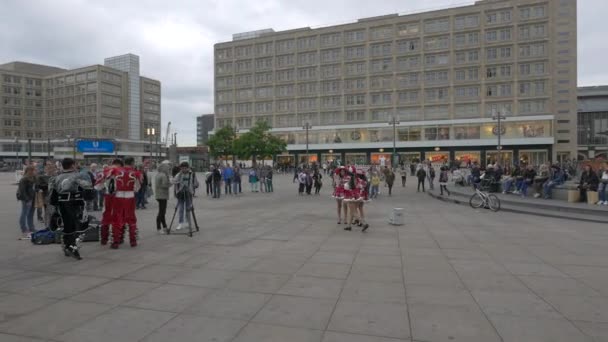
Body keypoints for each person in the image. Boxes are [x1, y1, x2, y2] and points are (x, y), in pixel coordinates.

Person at [48, 158, 94, 260]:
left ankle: (67, 247)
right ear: (72, 165)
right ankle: (72, 247)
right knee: (80, 226)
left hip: (62, 204)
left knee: (68, 226)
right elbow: (89, 189)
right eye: (75, 164)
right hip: (75, 203)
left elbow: (52, 196)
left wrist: (54, 209)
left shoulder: (56, 177)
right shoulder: (78, 176)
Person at [110, 157, 141, 249]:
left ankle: (115, 241)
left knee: (117, 218)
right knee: (131, 218)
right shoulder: (135, 173)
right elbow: (137, 187)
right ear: (132, 163)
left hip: (118, 195)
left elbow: (111, 185)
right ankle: (133, 241)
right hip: (130, 196)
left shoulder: (116, 171)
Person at [95, 159, 122, 245]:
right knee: (116, 219)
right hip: (118, 197)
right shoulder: (123, 172)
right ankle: (115, 241)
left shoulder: (105, 171)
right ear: (120, 165)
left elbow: (97, 186)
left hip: (107, 197)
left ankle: (104, 239)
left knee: (105, 217)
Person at [173, 162, 199, 230]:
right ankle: (180, 223)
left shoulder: (192, 174)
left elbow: (196, 183)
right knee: (181, 209)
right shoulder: (179, 174)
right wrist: (177, 182)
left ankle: (188, 222)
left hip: (189, 193)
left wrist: (193, 186)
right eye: (182, 168)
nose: (183, 169)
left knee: (188, 209)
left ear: (188, 168)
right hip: (180, 193)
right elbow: (174, 181)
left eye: (185, 168)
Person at [17, 165, 37, 239]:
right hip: (26, 199)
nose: (32, 172)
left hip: (33, 197)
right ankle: (24, 229)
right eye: (31, 170)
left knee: (31, 214)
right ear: (27, 171)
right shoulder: (24, 179)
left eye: (33, 170)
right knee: (24, 213)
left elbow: (35, 187)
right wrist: (27, 199)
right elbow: (22, 191)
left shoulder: (34, 178)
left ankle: (31, 228)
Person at [155, 161, 172, 233]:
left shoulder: (158, 174)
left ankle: (164, 227)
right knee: (162, 212)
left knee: (162, 212)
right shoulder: (163, 175)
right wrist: (171, 184)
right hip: (163, 195)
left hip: (159, 195)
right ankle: (159, 228)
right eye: (168, 169)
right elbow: (164, 185)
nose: (169, 170)